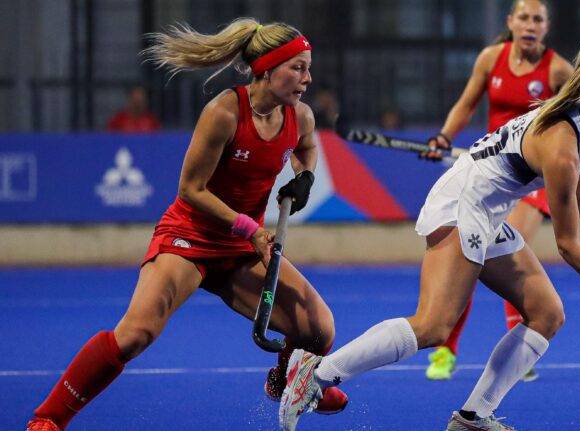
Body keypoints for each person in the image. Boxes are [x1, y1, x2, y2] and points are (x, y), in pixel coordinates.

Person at [278, 39, 580, 431]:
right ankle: (316, 375)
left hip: (488, 210)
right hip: (461, 204)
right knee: (434, 325)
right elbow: (567, 246)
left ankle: (473, 417)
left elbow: (577, 179)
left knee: (546, 314)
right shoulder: (561, 144)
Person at [25, 18, 348, 431]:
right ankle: (48, 418)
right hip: (189, 238)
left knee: (319, 330)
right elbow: (190, 190)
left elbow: (306, 148)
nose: (307, 77)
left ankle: (286, 378)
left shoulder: (299, 116)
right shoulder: (224, 113)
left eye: (308, 67)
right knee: (136, 334)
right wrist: (250, 229)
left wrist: (305, 176)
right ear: (267, 69)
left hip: (239, 250)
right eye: (298, 67)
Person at [421, 0, 574, 382]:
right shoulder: (491, 58)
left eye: (537, 19)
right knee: (469, 259)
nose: (529, 24)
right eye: (523, 17)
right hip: (492, 174)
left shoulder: (558, 70)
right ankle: (445, 351)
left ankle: (518, 344)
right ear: (511, 22)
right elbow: (466, 104)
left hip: (533, 178)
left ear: (546, 27)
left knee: (513, 245)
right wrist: (444, 137)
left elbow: (574, 130)